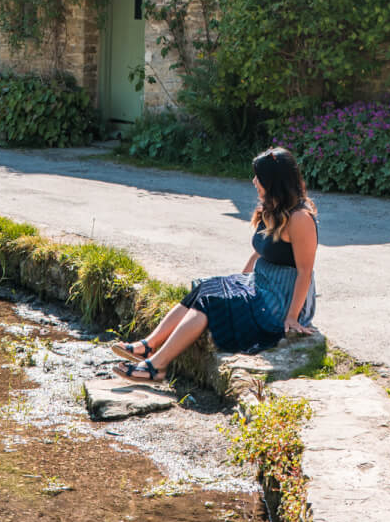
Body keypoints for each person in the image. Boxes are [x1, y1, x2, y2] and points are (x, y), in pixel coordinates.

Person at [111, 146, 318, 384]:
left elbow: (305, 272)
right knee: (207, 288)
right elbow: (260, 252)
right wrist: (238, 283)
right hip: (263, 283)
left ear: (273, 181)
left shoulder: (300, 218)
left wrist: (292, 317)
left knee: (212, 302)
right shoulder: (271, 208)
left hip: (283, 299)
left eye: (258, 177)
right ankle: (149, 345)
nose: (253, 181)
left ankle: (155, 367)